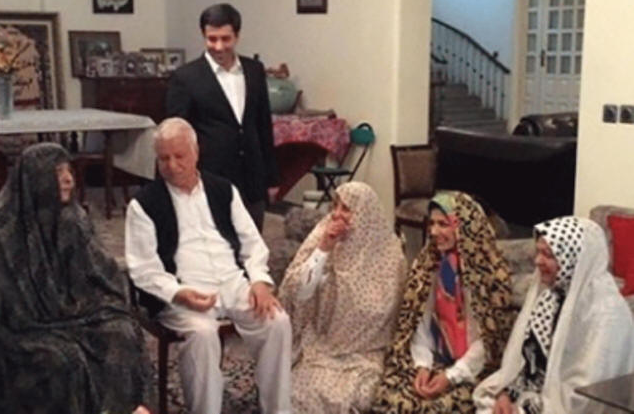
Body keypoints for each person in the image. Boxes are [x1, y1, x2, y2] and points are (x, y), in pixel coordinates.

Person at [125, 118, 291, 414]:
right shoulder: (144, 204)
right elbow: (143, 268)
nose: (172, 165)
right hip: (183, 289)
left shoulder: (223, 190)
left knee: (276, 322)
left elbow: (252, 242)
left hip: (232, 282)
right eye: (164, 158)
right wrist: (178, 293)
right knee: (202, 334)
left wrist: (259, 282)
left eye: (179, 156)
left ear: (196, 152)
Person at [0, 143, 152, 414]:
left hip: (75, 314)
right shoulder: (2, 228)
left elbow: (103, 275)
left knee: (123, 333)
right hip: (25, 327)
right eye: (58, 173)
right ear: (38, 177)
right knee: (64, 360)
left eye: (69, 170)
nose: (69, 179)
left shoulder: (73, 218)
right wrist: (49, 317)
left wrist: (89, 308)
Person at [474, 217, 634, 414]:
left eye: (548, 255)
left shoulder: (607, 315)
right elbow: (526, 364)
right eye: (538, 252)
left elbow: (584, 397)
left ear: (574, 260)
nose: (537, 261)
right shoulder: (551, 295)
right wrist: (506, 394)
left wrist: (523, 410)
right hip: (532, 399)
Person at [373, 191, 514, 413]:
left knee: (436, 409)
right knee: (390, 397)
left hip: (474, 370)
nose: (433, 232)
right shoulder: (428, 266)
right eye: (432, 224)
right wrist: (422, 366)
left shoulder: (489, 275)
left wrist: (451, 376)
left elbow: (488, 343)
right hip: (435, 360)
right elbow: (420, 324)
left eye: (443, 224)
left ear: (463, 226)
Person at [278, 181, 407, 413]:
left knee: (361, 396)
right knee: (294, 393)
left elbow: (391, 315)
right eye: (334, 206)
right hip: (321, 346)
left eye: (346, 208)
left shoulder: (390, 254)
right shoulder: (323, 236)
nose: (336, 214)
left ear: (365, 214)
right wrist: (324, 249)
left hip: (366, 353)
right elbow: (299, 291)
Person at [166, 3, 278, 230]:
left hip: (252, 178)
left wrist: (272, 177)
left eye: (226, 39)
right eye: (212, 39)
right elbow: (176, 135)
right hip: (209, 178)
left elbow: (263, 126)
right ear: (203, 36)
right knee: (216, 242)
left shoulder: (254, 70)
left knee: (252, 241)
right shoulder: (186, 77)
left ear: (237, 36)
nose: (218, 47)